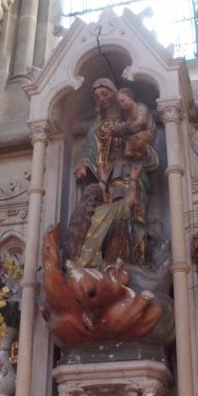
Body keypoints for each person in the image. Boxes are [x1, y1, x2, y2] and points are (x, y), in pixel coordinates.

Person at [67, 78, 158, 267]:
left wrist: (141, 147)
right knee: (110, 218)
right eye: (97, 96)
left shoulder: (130, 118)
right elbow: (90, 149)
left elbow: (145, 143)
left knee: (135, 212)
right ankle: (111, 261)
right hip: (108, 177)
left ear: (115, 94)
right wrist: (84, 163)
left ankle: (137, 261)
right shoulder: (98, 126)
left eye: (105, 93)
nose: (101, 99)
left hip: (131, 171)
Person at [116, 87, 156, 160]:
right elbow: (129, 125)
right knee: (127, 139)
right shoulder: (129, 114)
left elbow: (142, 120)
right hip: (138, 133)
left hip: (148, 131)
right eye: (120, 104)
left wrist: (131, 125)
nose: (122, 104)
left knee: (133, 138)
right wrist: (124, 126)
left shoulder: (141, 107)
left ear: (131, 97)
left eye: (123, 101)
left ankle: (130, 152)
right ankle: (135, 153)